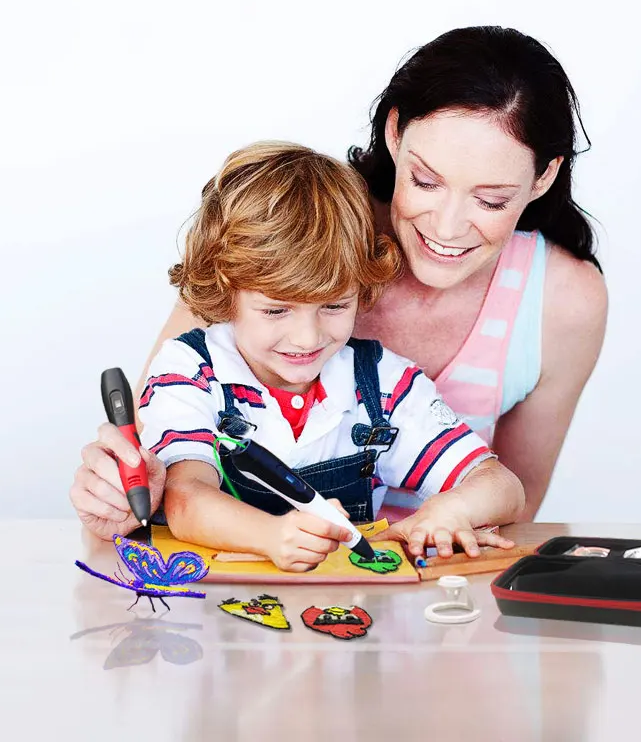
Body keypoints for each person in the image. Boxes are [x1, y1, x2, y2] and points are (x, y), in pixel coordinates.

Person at [71, 26, 606, 547]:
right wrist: (120, 493)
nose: (446, 227)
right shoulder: (292, 232)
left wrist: (450, 514)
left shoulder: (396, 376)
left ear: (543, 177)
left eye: (490, 200)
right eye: (426, 181)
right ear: (394, 133)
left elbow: (511, 501)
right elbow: (164, 488)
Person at [132, 141, 524, 571]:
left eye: (335, 306)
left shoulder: (382, 384)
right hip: (215, 605)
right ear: (227, 292)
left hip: (348, 605)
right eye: (276, 310)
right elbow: (186, 498)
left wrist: (451, 510)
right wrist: (271, 536)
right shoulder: (189, 370)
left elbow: (502, 486)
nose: (307, 338)